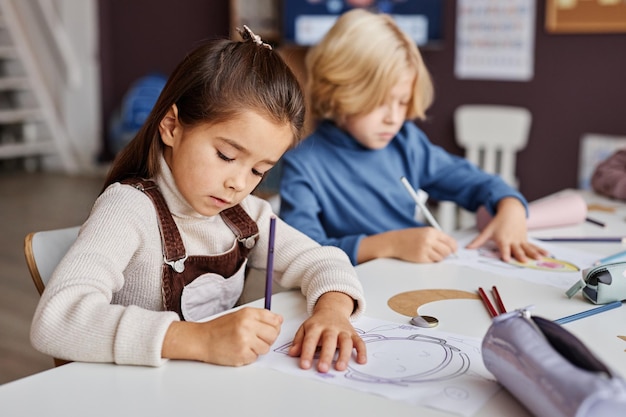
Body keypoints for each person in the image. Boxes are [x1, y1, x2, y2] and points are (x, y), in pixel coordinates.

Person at [30, 27, 367, 374]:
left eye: (259, 171)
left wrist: (332, 311)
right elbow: (57, 320)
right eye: (225, 155)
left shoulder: (245, 214)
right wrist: (199, 339)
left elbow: (321, 260)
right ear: (172, 126)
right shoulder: (127, 210)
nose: (238, 183)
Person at [279, 9, 547, 266]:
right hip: (353, 293)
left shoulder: (405, 141)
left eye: (403, 102)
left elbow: (473, 182)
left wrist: (509, 203)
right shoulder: (304, 165)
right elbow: (303, 252)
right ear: (335, 91)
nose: (394, 118)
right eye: (378, 102)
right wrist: (390, 245)